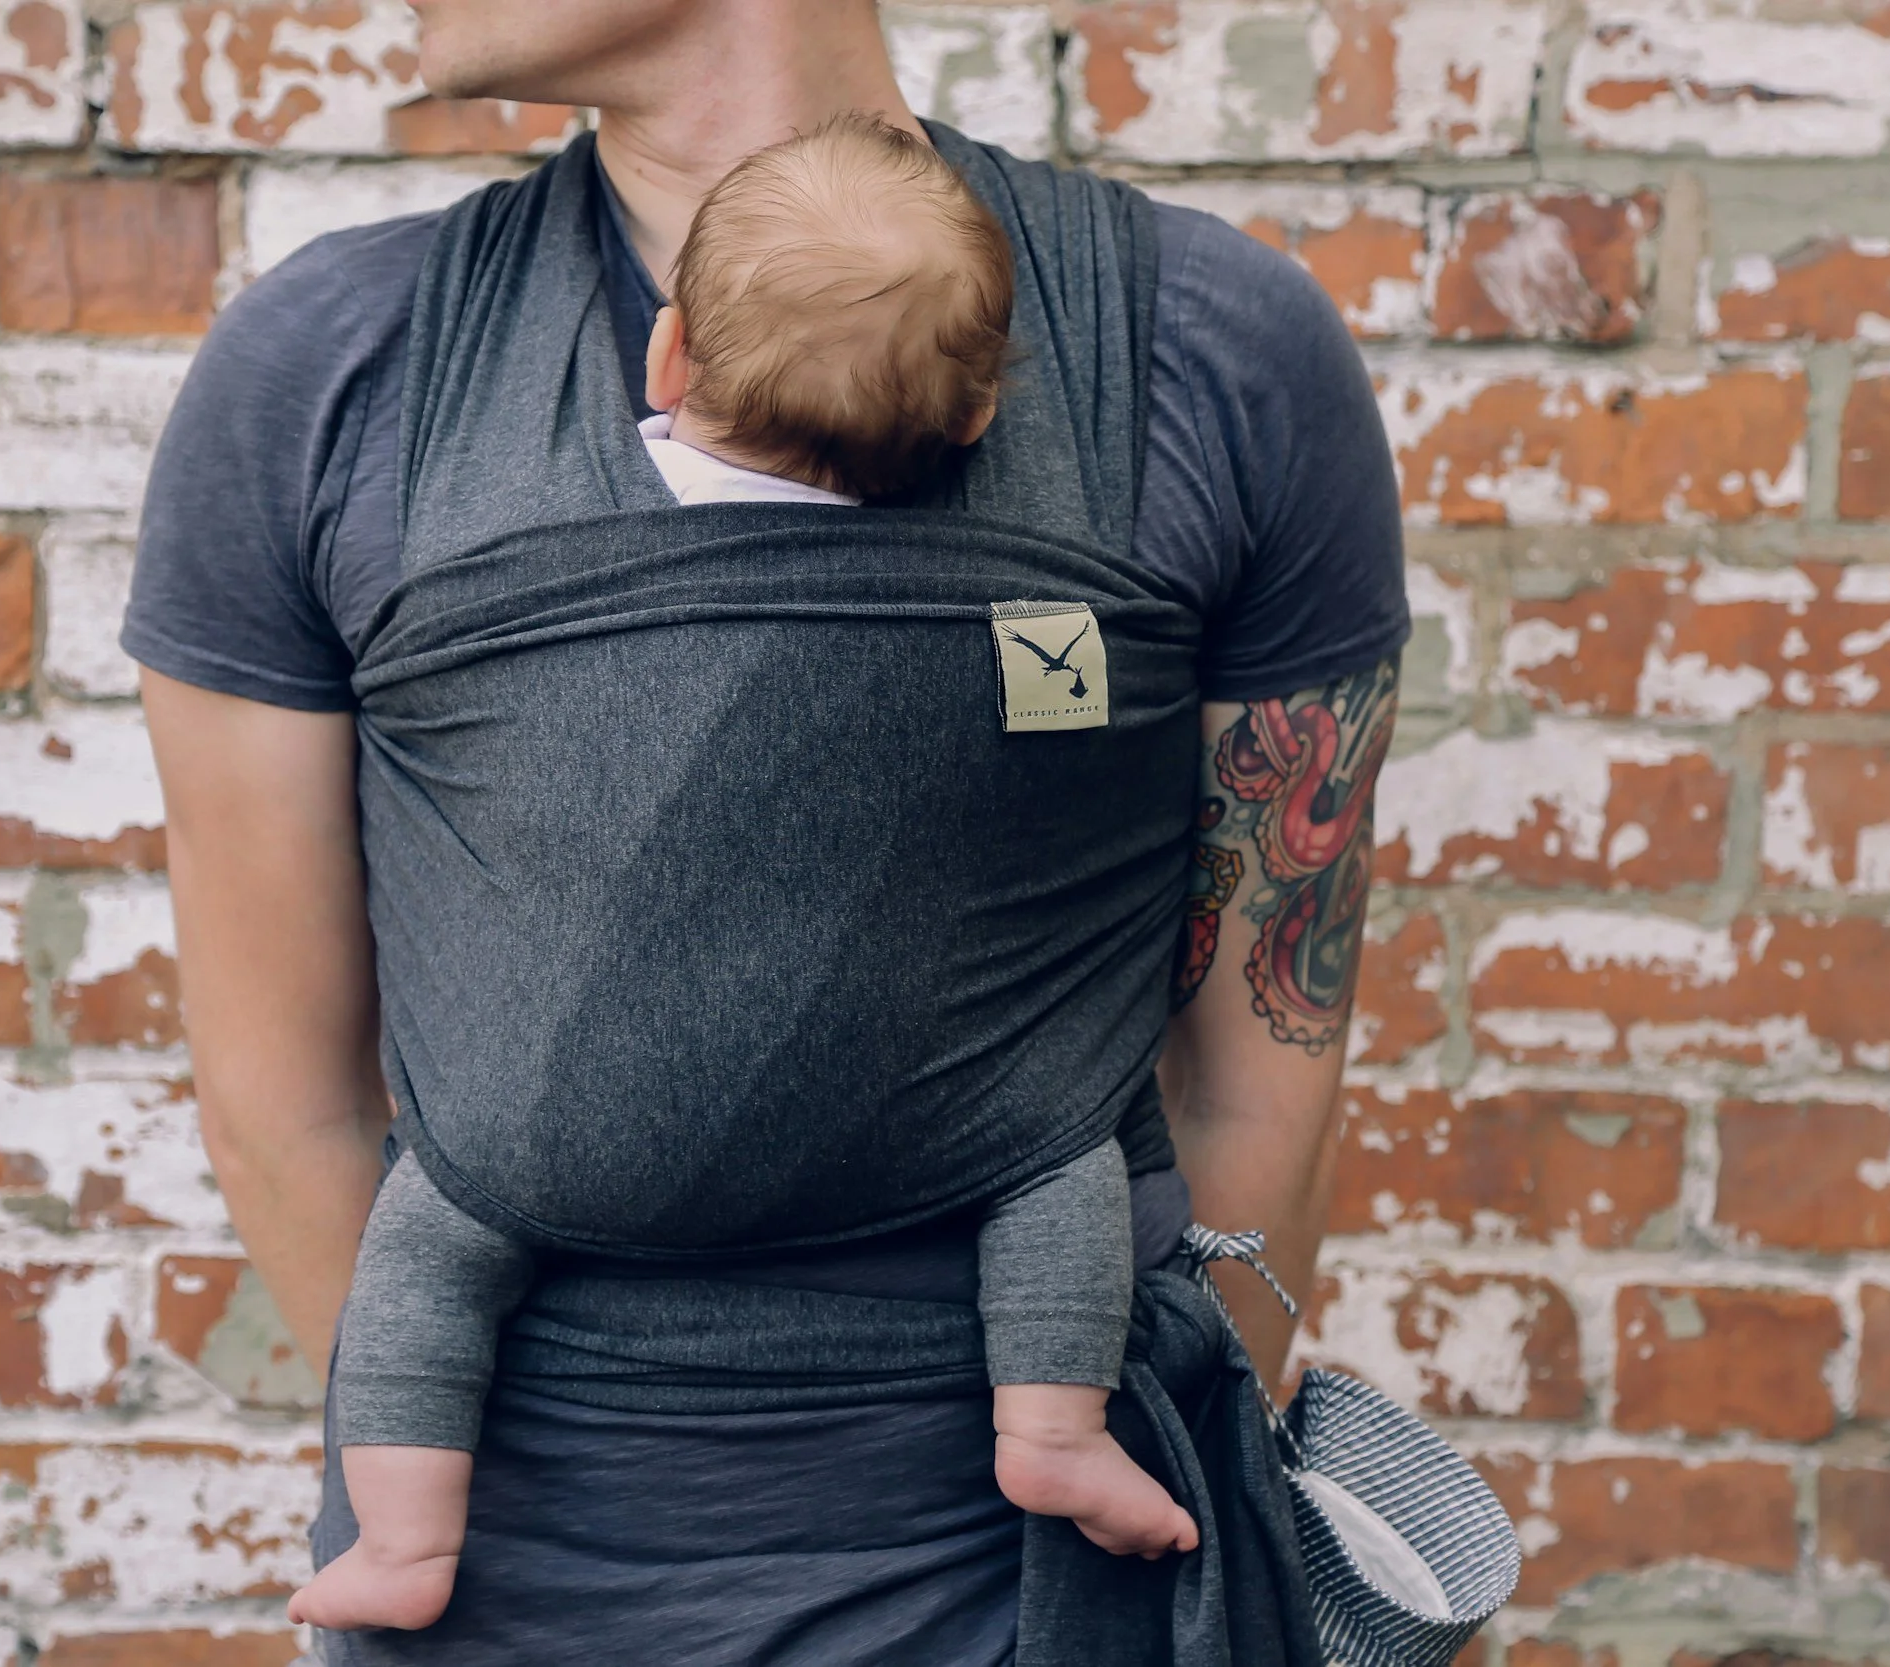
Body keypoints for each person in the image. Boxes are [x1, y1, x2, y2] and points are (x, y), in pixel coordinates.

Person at [127, 2, 1407, 1660]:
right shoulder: (333, 369)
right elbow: (281, 1097)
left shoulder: (1198, 350)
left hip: (1041, 1586)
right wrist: (459, 1494)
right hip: (522, 1583)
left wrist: (1143, 1463)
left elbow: (1262, 1072)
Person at [285, 112, 1199, 1637]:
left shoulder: (557, 532)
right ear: (977, 426)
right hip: (941, 1128)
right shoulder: (1031, 588)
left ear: (667, 362)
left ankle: (401, 1531)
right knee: (1062, 1162)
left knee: (432, 1241)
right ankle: (1051, 1433)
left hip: (554, 1135)